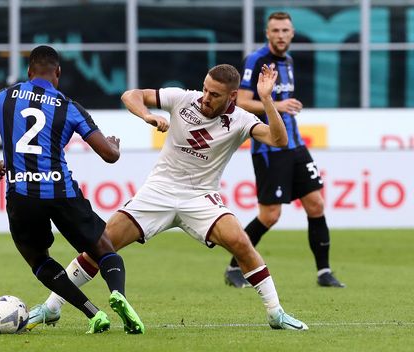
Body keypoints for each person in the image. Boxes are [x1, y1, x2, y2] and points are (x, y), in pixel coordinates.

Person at [28, 63, 309, 331]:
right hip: (158, 191)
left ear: (232, 96)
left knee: (241, 242)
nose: (205, 98)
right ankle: (52, 307)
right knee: (101, 244)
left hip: (200, 197)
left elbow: (279, 140)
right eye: (205, 89)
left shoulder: (241, 119)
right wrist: (147, 115)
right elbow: (131, 95)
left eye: (214, 95)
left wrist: (266, 98)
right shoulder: (183, 99)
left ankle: (275, 313)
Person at [0, 45, 144, 334]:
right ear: (58, 73)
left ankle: (92, 313)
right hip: (61, 191)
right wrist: (115, 146)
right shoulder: (69, 106)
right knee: (103, 248)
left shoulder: (3, 98)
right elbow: (108, 155)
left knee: (39, 259)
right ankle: (119, 294)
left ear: (29, 72)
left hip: (21, 195)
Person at [223, 12, 345, 289]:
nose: (280, 35)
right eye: (275, 30)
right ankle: (234, 266)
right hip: (269, 148)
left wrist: (285, 107)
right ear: (267, 33)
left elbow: (283, 101)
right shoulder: (256, 60)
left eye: (285, 30)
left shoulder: (288, 62)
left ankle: (324, 272)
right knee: (270, 215)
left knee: (316, 204)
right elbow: (241, 102)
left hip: (296, 145)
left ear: (292, 34)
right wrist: (277, 105)